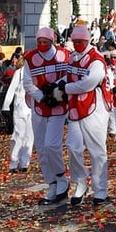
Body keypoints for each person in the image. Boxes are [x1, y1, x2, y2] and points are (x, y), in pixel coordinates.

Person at [60, 21, 112, 207]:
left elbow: (87, 83)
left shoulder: (96, 59)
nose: (77, 45)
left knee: (97, 150)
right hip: (75, 107)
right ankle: (80, 183)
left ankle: (100, 189)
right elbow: (69, 75)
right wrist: (60, 84)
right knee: (73, 147)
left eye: (80, 41)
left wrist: (64, 88)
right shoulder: (73, 57)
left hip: (95, 108)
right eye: (75, 41)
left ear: (88, 40)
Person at [23, 25, 70, 205]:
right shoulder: (30, 58)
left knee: (52, 145)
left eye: (46, 42)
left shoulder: (63, 55)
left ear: (52, 41)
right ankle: (51, 183)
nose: (42, 44)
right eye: (39, 42)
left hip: (58, 105)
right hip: (39, 106)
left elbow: (68, 75)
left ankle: (61, 179)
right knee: (41, 148)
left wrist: (55, 88)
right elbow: (27, 83)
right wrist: (42, 97)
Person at [1, 58, 32, 172]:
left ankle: (25, 162)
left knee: (29, 135)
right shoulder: (19, 73)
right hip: (20, 106)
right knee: (19, 134)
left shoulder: (36, 71)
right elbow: (12, 89)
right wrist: (6, 105)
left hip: (32, 107)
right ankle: (14, 162)